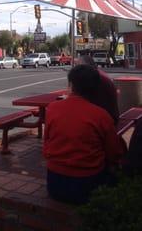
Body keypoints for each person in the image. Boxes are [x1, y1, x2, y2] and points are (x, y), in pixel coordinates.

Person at [43, 64, 125, 204]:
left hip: (54, 183)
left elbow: (47, 143)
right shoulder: (101, 116)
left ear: (71, 84)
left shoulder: (52, 108)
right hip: (87, 185)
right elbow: (114, 153)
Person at [78, 55, 119, 125]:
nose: (77, 68)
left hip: (106, 119)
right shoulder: (98, 74)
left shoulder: (94, 78)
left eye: (79, 65)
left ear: (87, 65)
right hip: (109, 115)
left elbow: (86, 99)